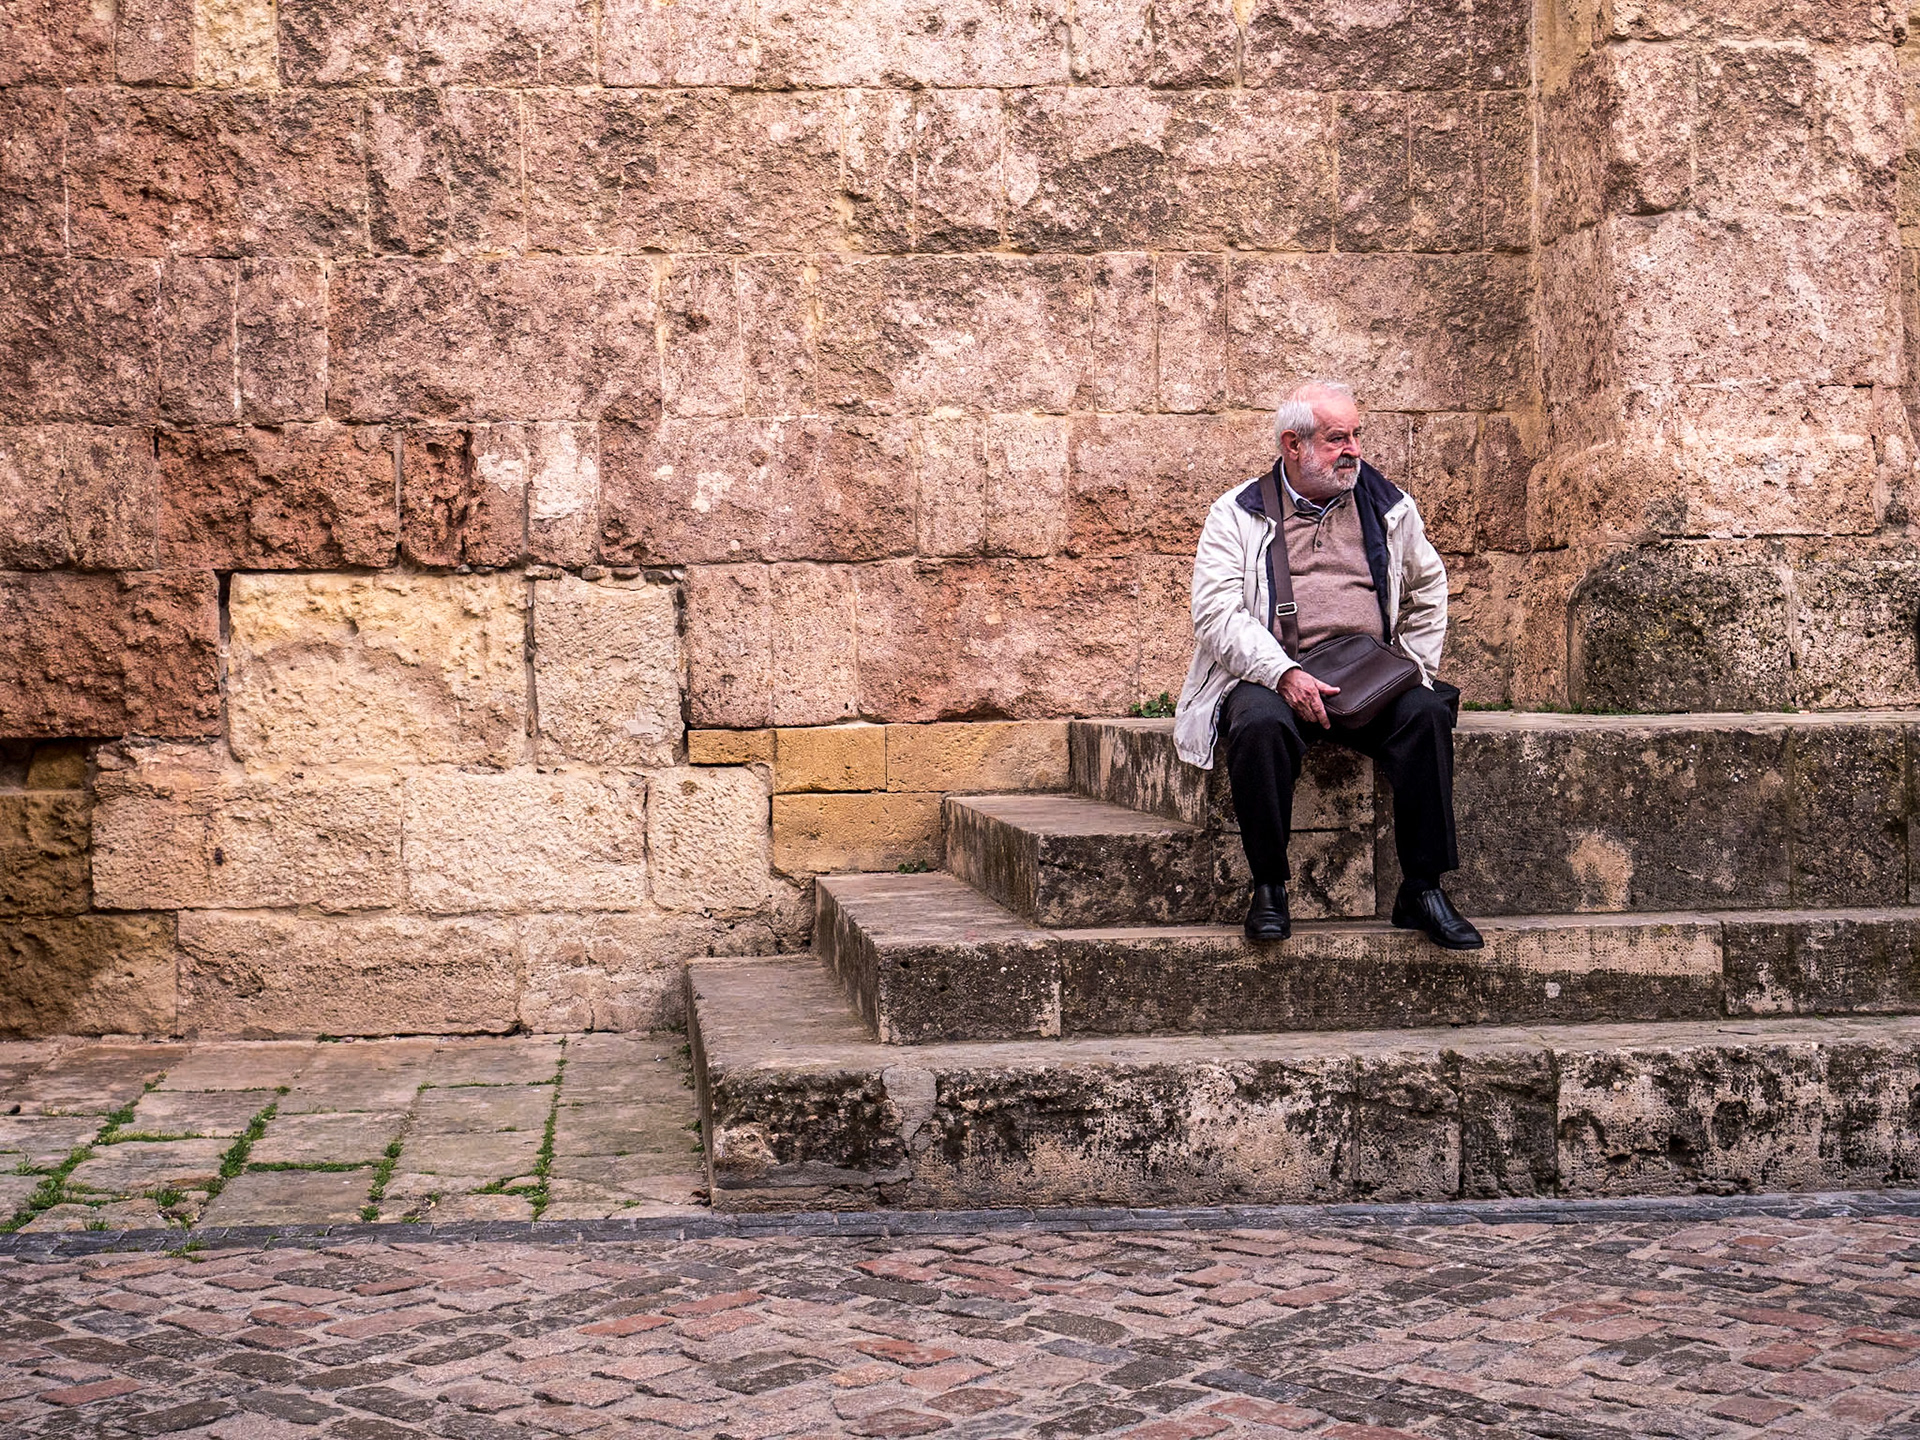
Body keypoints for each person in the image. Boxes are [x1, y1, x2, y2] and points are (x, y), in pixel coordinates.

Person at [1171, 379, 1482, 949]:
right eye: (1337, 438)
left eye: (1356, 435)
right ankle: (1269, 886)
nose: (1354, 450)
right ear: (1294, 445)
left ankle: (1422, 888)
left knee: (1426, 713)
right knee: (1258, 723)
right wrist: (1283, 673)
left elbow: (1429, 582)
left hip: (1369, 674)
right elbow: (1215, 614)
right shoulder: (1237, 513)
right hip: (1272, 671)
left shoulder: (1387, 504)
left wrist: (1411, 664)